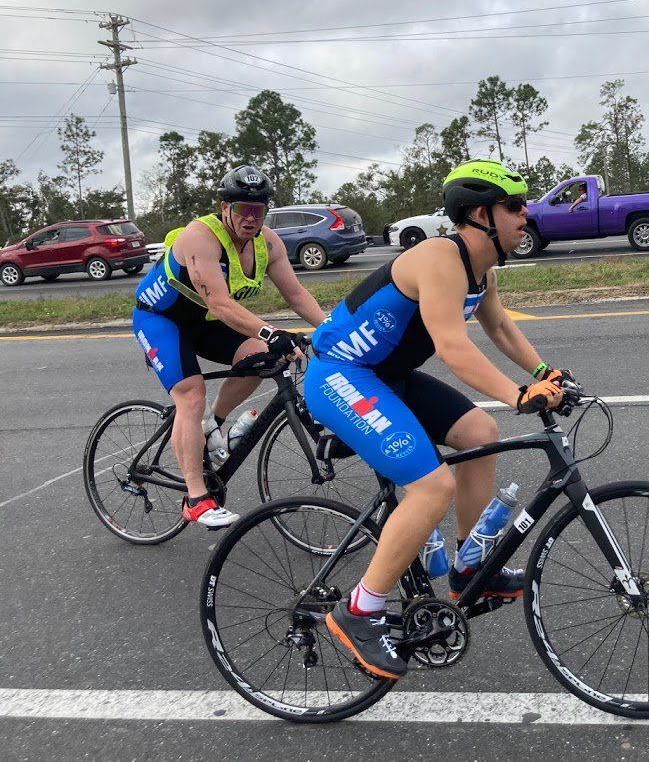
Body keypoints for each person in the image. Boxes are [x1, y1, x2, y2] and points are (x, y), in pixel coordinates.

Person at [305, 159, 572, 680]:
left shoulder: (482, 268)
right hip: (342, 375)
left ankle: (470, 565)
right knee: (431, 486)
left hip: (387, 377)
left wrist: (545, 371)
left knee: (481, 433)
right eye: (515, 206)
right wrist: (520, 394)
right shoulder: (439, 258)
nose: (526, 215)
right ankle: (361, 609)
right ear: (480, 214)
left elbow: (499, 326)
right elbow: (453, 346)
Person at [131, 164, 327, 528]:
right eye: (242, 209)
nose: (250, 218)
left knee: (262, 356)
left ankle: (214, 424)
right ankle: (195, 499)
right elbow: (220, 304)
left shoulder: (268, 243)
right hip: (161, 320)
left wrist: (331, 330)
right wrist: (271, 331)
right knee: (190, 394)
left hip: (205, 321)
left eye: (258, 209)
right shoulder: (200, 237)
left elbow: (297, 294)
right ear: (224, 208)